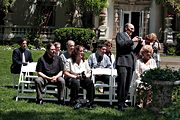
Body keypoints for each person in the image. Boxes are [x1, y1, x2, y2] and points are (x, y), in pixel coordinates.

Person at [115, 23, 140, 111]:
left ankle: (123, 101)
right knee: (122, 83)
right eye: (131, 29)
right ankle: (119, 104)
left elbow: (133, 52)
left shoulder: (130, 39)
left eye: (133, 29)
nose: (132, 31)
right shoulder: (120, 35)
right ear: (126, 28)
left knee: (127, 84)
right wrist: (132, 41)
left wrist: (140, 44)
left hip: (131, 62)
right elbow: (121, 45)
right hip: (122, 62)